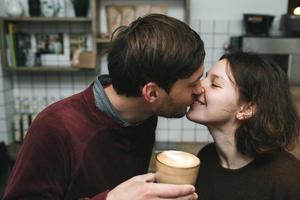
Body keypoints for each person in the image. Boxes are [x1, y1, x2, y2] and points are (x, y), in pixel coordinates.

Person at [3, 14, 205, 200]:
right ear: (151, 93)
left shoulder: (145, 114)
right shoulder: (54, 128)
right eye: (192, 84)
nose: (200, 90)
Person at [187, 52, 300, 200]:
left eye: (215, 84)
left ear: (247, 109)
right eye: (205, 78)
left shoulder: (288, 178)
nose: (199, 86)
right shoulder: (206, 158)